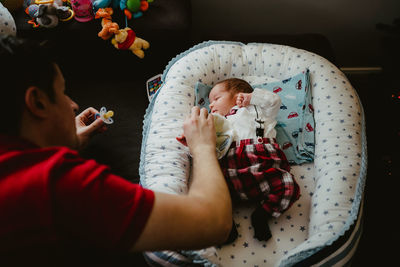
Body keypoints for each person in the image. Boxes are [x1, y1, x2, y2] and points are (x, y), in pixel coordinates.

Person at [0, 35, 232, 265]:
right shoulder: (61, 185)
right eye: (62, 93)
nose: (73, 105)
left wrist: (65, 141)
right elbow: (213, 222)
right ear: (38, 102)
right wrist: (202, 145)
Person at [178, 78, 300, 242]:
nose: (211, 105)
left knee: (288, 186)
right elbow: (205, 147)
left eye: (216, 99)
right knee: (211, 193)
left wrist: (251, 98)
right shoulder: (217, 123)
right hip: (229, 170)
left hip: (262, 160)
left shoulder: (258, 110)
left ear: (238, 94)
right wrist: (190, 141)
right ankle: (227, 224)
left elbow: (274, 101)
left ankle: (262, 215)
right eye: (209, 102)